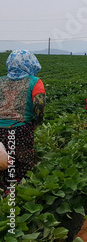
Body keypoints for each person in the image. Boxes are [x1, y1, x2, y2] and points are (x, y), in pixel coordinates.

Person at [0, 50, 45, 191]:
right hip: (21, 130)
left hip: (0, 130)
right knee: (21, 165)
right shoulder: (34, 82)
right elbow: (39, 104)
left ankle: (3, 192)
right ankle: (15, 195)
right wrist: (36, 122)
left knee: (3, 162)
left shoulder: (1, 81)